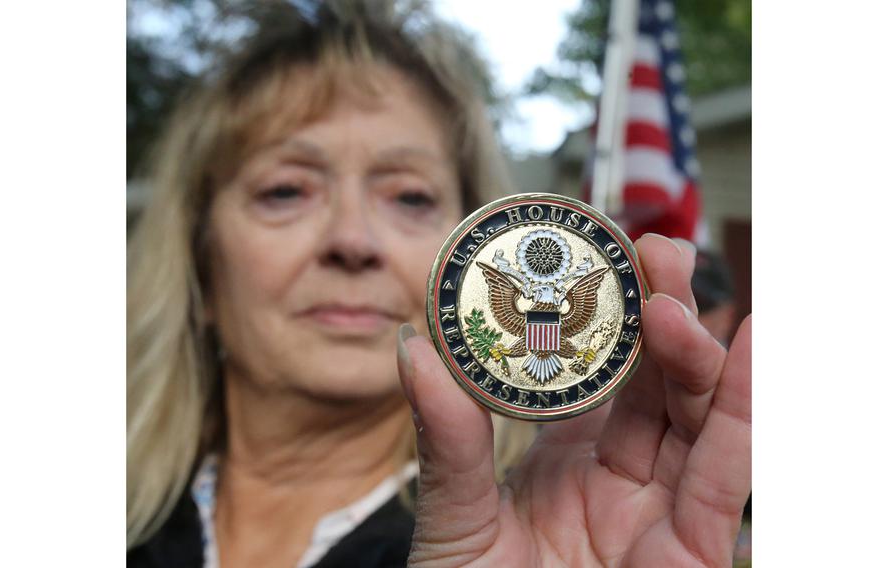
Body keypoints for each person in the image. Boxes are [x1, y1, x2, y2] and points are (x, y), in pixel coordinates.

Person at [127, 2, 752, 567]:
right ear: (200, 263)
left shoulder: (542, 538)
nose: (354, 240)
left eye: (409, 196)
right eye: (285, 190)